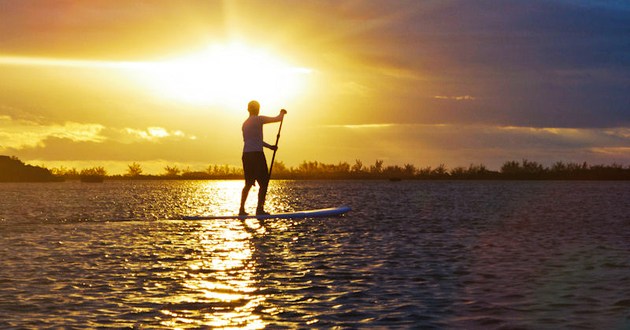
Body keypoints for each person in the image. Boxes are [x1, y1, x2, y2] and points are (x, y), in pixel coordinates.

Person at [239, 100, 287, 216]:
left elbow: (255, 140)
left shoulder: (245, 123)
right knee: (264, 183)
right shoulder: (258, 119)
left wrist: (270, 147)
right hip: (256, 155)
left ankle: (241, 210)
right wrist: (282, 113)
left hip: (246, 155)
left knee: (248, 183)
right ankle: (259, 210)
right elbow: (277, 119)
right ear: (256, 109)